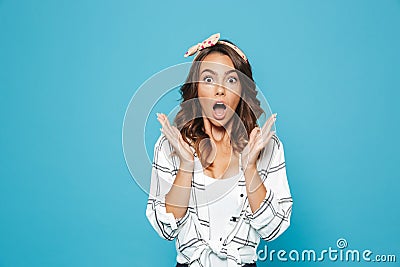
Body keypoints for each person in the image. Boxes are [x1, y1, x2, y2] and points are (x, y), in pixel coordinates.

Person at [146, 33, 293, 267]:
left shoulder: (266, 145)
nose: (220, 90)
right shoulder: (170, 146)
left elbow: (273, 229)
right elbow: (165, 229)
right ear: (195, 89)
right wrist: (186, 165)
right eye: (208, 79)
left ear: (243, 91)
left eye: (231, 80)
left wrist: (250, 167)